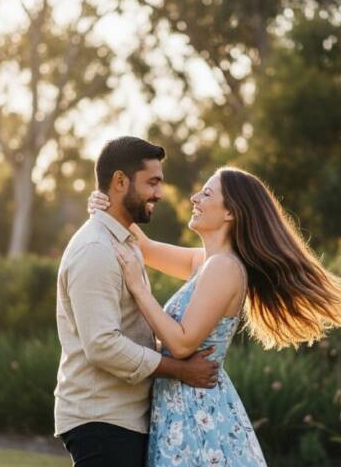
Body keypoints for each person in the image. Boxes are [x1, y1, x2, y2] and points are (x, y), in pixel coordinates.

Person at [88, 166, 341, 466]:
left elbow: (182, 345)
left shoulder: (224, 268)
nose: (194, 198)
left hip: (197, 416)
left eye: (206, 193)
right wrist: (107, 207)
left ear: (231, 212)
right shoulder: (205, 262)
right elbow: (146, 247)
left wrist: (140, 290)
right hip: (181, 410)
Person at [54, 136, 221, 467]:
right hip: (102, 419)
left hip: (122, 419)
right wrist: (181, 371)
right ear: (120, 182)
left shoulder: (124, 242)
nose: (159, 193)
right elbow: (102, 344)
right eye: (152, 183)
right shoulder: (97, 251)